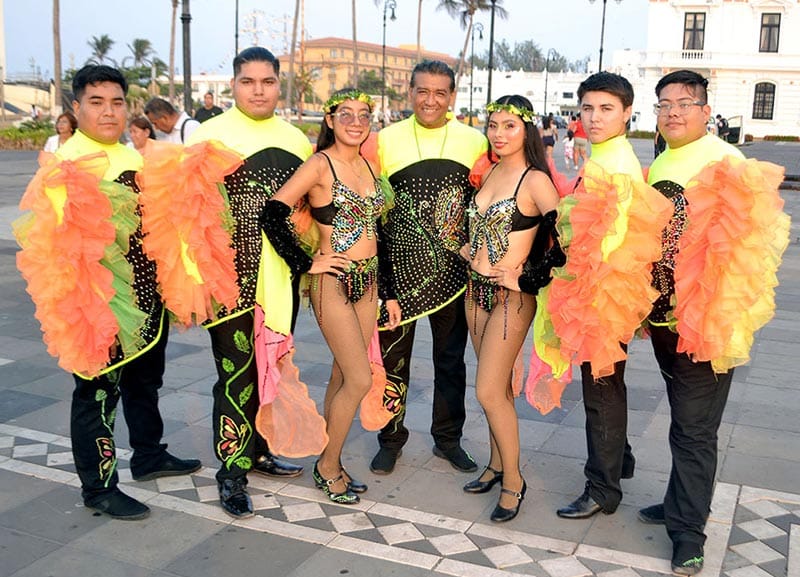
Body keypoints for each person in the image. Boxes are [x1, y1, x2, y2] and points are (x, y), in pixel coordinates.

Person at [14, 65, 201, 520]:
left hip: (146, 295)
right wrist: (87, 312)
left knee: (145, 380)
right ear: (76, 108)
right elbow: (59, 252)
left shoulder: (134, 157)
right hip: (97, 303)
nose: (108, 112)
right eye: (96, 103)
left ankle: (149, 454)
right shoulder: (65, 165)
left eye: (117, 102)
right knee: (97, 393)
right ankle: (98, 488)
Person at [640, 69, 789, 575]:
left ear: (706, 111)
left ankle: (688, 533)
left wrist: (714, 318)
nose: (673, 112)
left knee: (695, 429)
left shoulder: (728, 161)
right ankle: (679, 502)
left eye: (684, 103)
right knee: (685, 421)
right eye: (665, 104)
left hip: (705, 321)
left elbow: (749, 251)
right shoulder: (663, 159)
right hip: (663, 316)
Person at [186, 46, 310, 518]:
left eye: (267, 82)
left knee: (267, 370)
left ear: (279, 85)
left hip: (280, 279)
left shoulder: (296, 140)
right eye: (248, 82)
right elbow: (187, 212)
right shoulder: (208, 135)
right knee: (235, 376)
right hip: (229, 279)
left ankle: (258, 451)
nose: (258, 91)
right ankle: (231, 473)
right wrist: (197, 278)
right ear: (233, 85)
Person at [261, 88, 401, 504]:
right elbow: (273, 212)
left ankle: (332, 460)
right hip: (333, 284)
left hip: (368, 282)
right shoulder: (320, 164)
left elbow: (379, 234)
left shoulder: (369, 166)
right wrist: (307, 262)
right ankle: (326, 467)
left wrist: (388, 293)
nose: (355, 122)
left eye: (363, 115)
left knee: (343, 375)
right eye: (346, 114)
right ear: (329, 120)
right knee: (359, 378)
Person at [552, 72, 673, 522]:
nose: (594, 117)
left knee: (600, 388)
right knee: (607, 383)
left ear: (627, 113)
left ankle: (603, 489)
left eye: (606, 109)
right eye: (588, 108)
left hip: (604, 289)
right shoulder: (603, 153)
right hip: (603, 286)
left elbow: (612, 235)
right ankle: (618, 460)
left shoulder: (615, 161)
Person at [369, 60, 488, 475]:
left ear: (452, 96)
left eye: (440, 93)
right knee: (391, 361)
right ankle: (390, 439)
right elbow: (373, 212)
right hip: (397, 276)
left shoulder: (474, 141)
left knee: (451, 361)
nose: (430, 100)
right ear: (410, 92)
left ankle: (448, 439)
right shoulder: (385, 140)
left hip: (453, 276)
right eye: (423, 91)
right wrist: (382, 283)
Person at [460, 95, 561, 522]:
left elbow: (565, 241)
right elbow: (479, 225)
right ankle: (496, 464)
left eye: (509, 126)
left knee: (487, 391)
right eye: (493, 125)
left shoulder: (535, 180)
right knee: (497, 390)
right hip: (475, 293)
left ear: (527, 130)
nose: (499, 134)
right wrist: (468, 249)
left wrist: (527, 278)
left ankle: (514, 482)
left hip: (510, 299)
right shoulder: (491, 171)